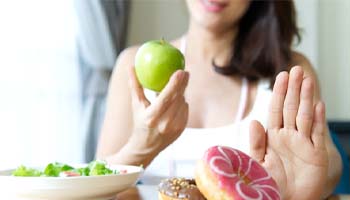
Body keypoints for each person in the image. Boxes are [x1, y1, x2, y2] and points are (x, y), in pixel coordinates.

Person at [96, 0, 342, 199]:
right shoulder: (133, 63)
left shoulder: (289, 69)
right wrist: (140, 147)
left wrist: (296, 187)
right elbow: (95, 184)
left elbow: (326, 163)